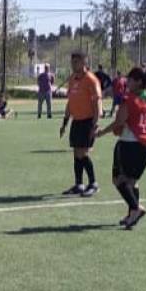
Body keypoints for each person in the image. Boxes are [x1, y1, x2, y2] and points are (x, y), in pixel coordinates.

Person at [96, 66, 146, 228]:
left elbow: (118, 123)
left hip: (129, 145)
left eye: (130, 79)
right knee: (132, 182)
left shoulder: (129, 100)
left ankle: (136, 208)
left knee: (119, 180)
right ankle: (131, 216)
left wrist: (101, 133)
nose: (126, 81)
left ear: (139, 82)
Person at [58, 51, 103, 197]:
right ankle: (79, 184)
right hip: (76, 121)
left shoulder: (91, 80)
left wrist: (95, 124)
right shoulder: (72, 79)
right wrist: (65, 123)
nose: (73, 65)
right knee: (76, 154)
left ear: (84, 63)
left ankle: (93, 184)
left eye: (76, 62)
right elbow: (70, 102)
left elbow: (97, 104)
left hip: (88, 121)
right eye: (72, 62)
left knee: (82, 153)